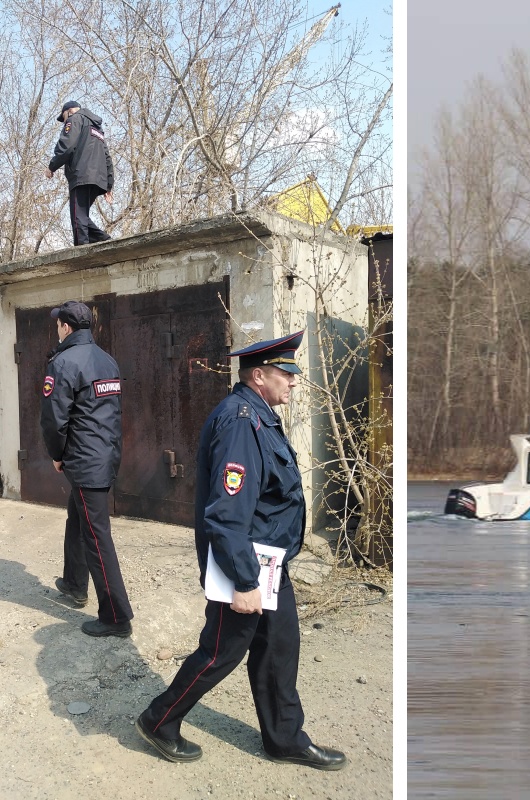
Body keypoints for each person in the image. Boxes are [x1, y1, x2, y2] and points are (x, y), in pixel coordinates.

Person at [136, 331, 346, 770]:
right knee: (221, 651)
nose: (294, 381)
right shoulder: (240, 422)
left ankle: (284, 738)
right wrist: (245, 581)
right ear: (258, 375)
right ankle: (159, 720)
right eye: (286, 372)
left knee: (279, 646)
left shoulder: (261, 415)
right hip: (246, 566)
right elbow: (227, 512)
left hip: (270, 563)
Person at [40, 300, 134, 637]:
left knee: (97, 537)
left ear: (66, 327)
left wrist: (57, 454)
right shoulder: (106, 360)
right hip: (104, 457)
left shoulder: (63, 362)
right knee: (77, 518)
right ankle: (74, 583)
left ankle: (116, 617)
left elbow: (54, 420)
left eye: (57, 324)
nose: (57, 328)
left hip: (83, 460)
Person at [45, 100, 114, 246]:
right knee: (81, 216)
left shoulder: (74, 119)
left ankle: (81, 253)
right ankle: (104, 240)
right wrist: (109, 184)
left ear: (69, 111)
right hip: (99, 179)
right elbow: (107, 157)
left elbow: (67, 146)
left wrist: (52, 166)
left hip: (82, 175)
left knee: (78, 218)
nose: (64, 123)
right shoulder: (97, 129)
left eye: (64, 118)